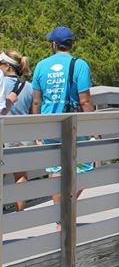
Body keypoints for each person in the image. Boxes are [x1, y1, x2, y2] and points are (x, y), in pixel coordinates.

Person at [31, 26, 96, 207]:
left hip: (48, 123)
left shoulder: (41, 66)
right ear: (70, 44)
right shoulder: (80, 65)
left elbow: (36, 101)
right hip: (75, 124)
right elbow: (85, 101)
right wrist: (94, 128)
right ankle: (66, 208)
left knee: (55, 168)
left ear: (54, 44)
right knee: (84, 166)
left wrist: (36, 129)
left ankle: (59, 217)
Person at [1, 49, 35, 212]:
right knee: (20, 175)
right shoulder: (29, 87)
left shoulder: (1, 84)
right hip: (24, 134)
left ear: (7, 66)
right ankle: (20, 213)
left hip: (4, 133)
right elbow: (33, 111)